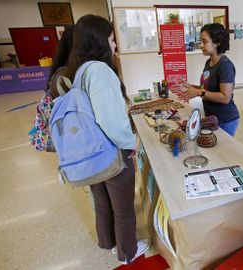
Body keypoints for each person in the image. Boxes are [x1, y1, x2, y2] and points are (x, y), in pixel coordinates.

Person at [65, 15, 149, 265]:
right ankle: (127, 253)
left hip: (90, 152)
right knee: (123, 208)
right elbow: (111, 119)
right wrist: (128, 143)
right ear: (99, 41)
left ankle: (107, 242)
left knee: (102, 202)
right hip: (110, 152)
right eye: (112, 40)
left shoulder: (79, 70)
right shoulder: (100, 70)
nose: (114, 46)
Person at [181, 23, 240, 136]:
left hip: (225, 119)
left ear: (217, 42)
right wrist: (191, 86)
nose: (201, 45)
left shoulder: (225, 65)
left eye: (205, 41)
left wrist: (198, 92)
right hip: (212, 117)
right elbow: (207, 88)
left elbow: (225, 97)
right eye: (201, 41)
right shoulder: (209, 62)